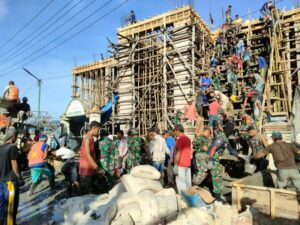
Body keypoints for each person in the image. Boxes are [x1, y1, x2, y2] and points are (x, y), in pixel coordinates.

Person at [0, 127, 24, 225]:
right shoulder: (12, 147)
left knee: (3, 208)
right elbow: (14, 164)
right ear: (14, 136)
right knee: (11, 209)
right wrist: (19, 177)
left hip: (1, 182)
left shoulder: (1, 148)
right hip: (10, 183)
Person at [79, 121, 101, 194]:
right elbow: (87, 155)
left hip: (89, 169)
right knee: (86, 194)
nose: (98, 132)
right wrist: (96, 167)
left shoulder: (90, 138)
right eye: (98, 130)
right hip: (86, 170)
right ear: (94, 128)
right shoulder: (87, 138)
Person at [173, 124, 192, 194]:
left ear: (177, 130)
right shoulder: (188, 139)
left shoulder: (179, 140)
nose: (174, 133)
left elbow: (178, 153)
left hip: (180, 164)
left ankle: (183, 199)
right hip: (187, 164)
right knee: (188, 185)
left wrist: (175, 165)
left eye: (174, 131)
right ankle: (189, 199)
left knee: (181, 185)